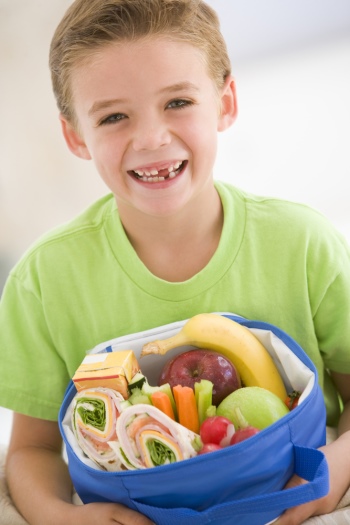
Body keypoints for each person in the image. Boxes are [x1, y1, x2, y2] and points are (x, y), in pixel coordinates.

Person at [0, 0, 349, 524]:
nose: (151, 139)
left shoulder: (304, 244)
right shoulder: (44, 281)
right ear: (75, 135)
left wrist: (324, 487)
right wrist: (63, 517)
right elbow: (32, 450)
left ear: (226, 102)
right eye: (113, 116)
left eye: (178, 102)